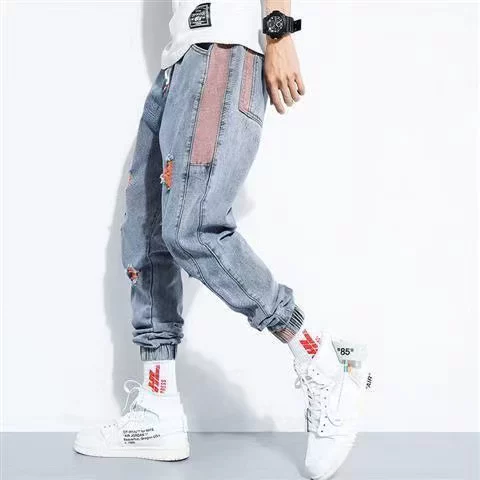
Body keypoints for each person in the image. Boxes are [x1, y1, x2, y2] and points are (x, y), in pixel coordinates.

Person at [74, 1, 371, 478]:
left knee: (193, 227)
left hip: (222, 44)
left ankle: (320, 358)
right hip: (181, 59)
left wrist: (279, 33)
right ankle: (157, 407)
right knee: (145, 235)